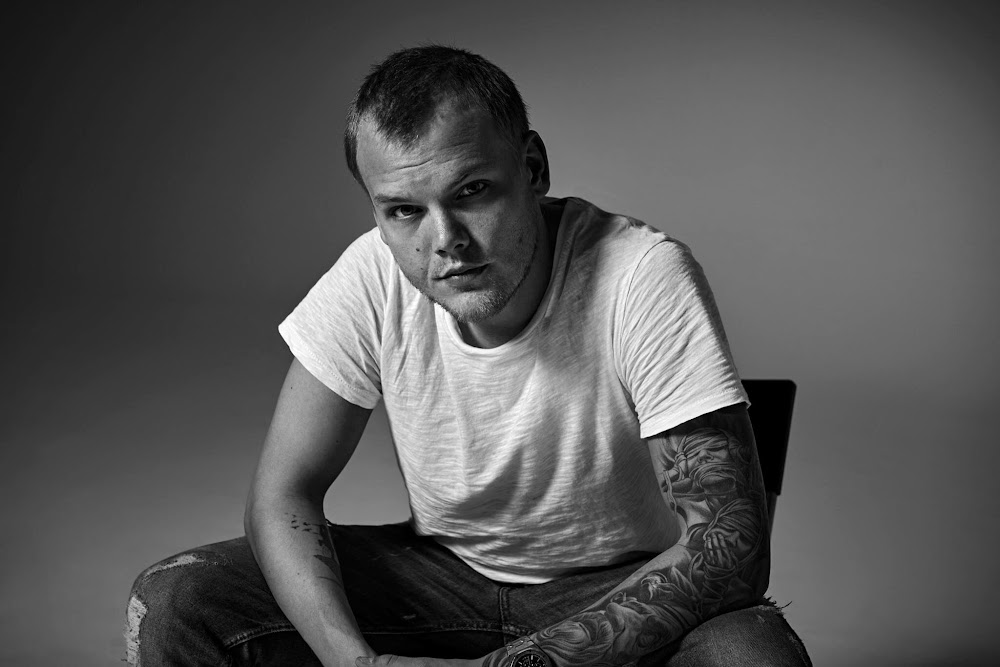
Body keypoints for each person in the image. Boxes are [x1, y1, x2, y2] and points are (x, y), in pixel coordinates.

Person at [125, 45, 812, 667]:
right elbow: (282, 494)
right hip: (440, 580)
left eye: (472, 191)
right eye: (403, 211)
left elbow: (729, 547)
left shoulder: (640, 273)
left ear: (533, 169)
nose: (445, 240)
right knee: (179, 600)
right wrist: (354, 663)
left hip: (620, 582)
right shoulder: (371, 274)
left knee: (752, 657)